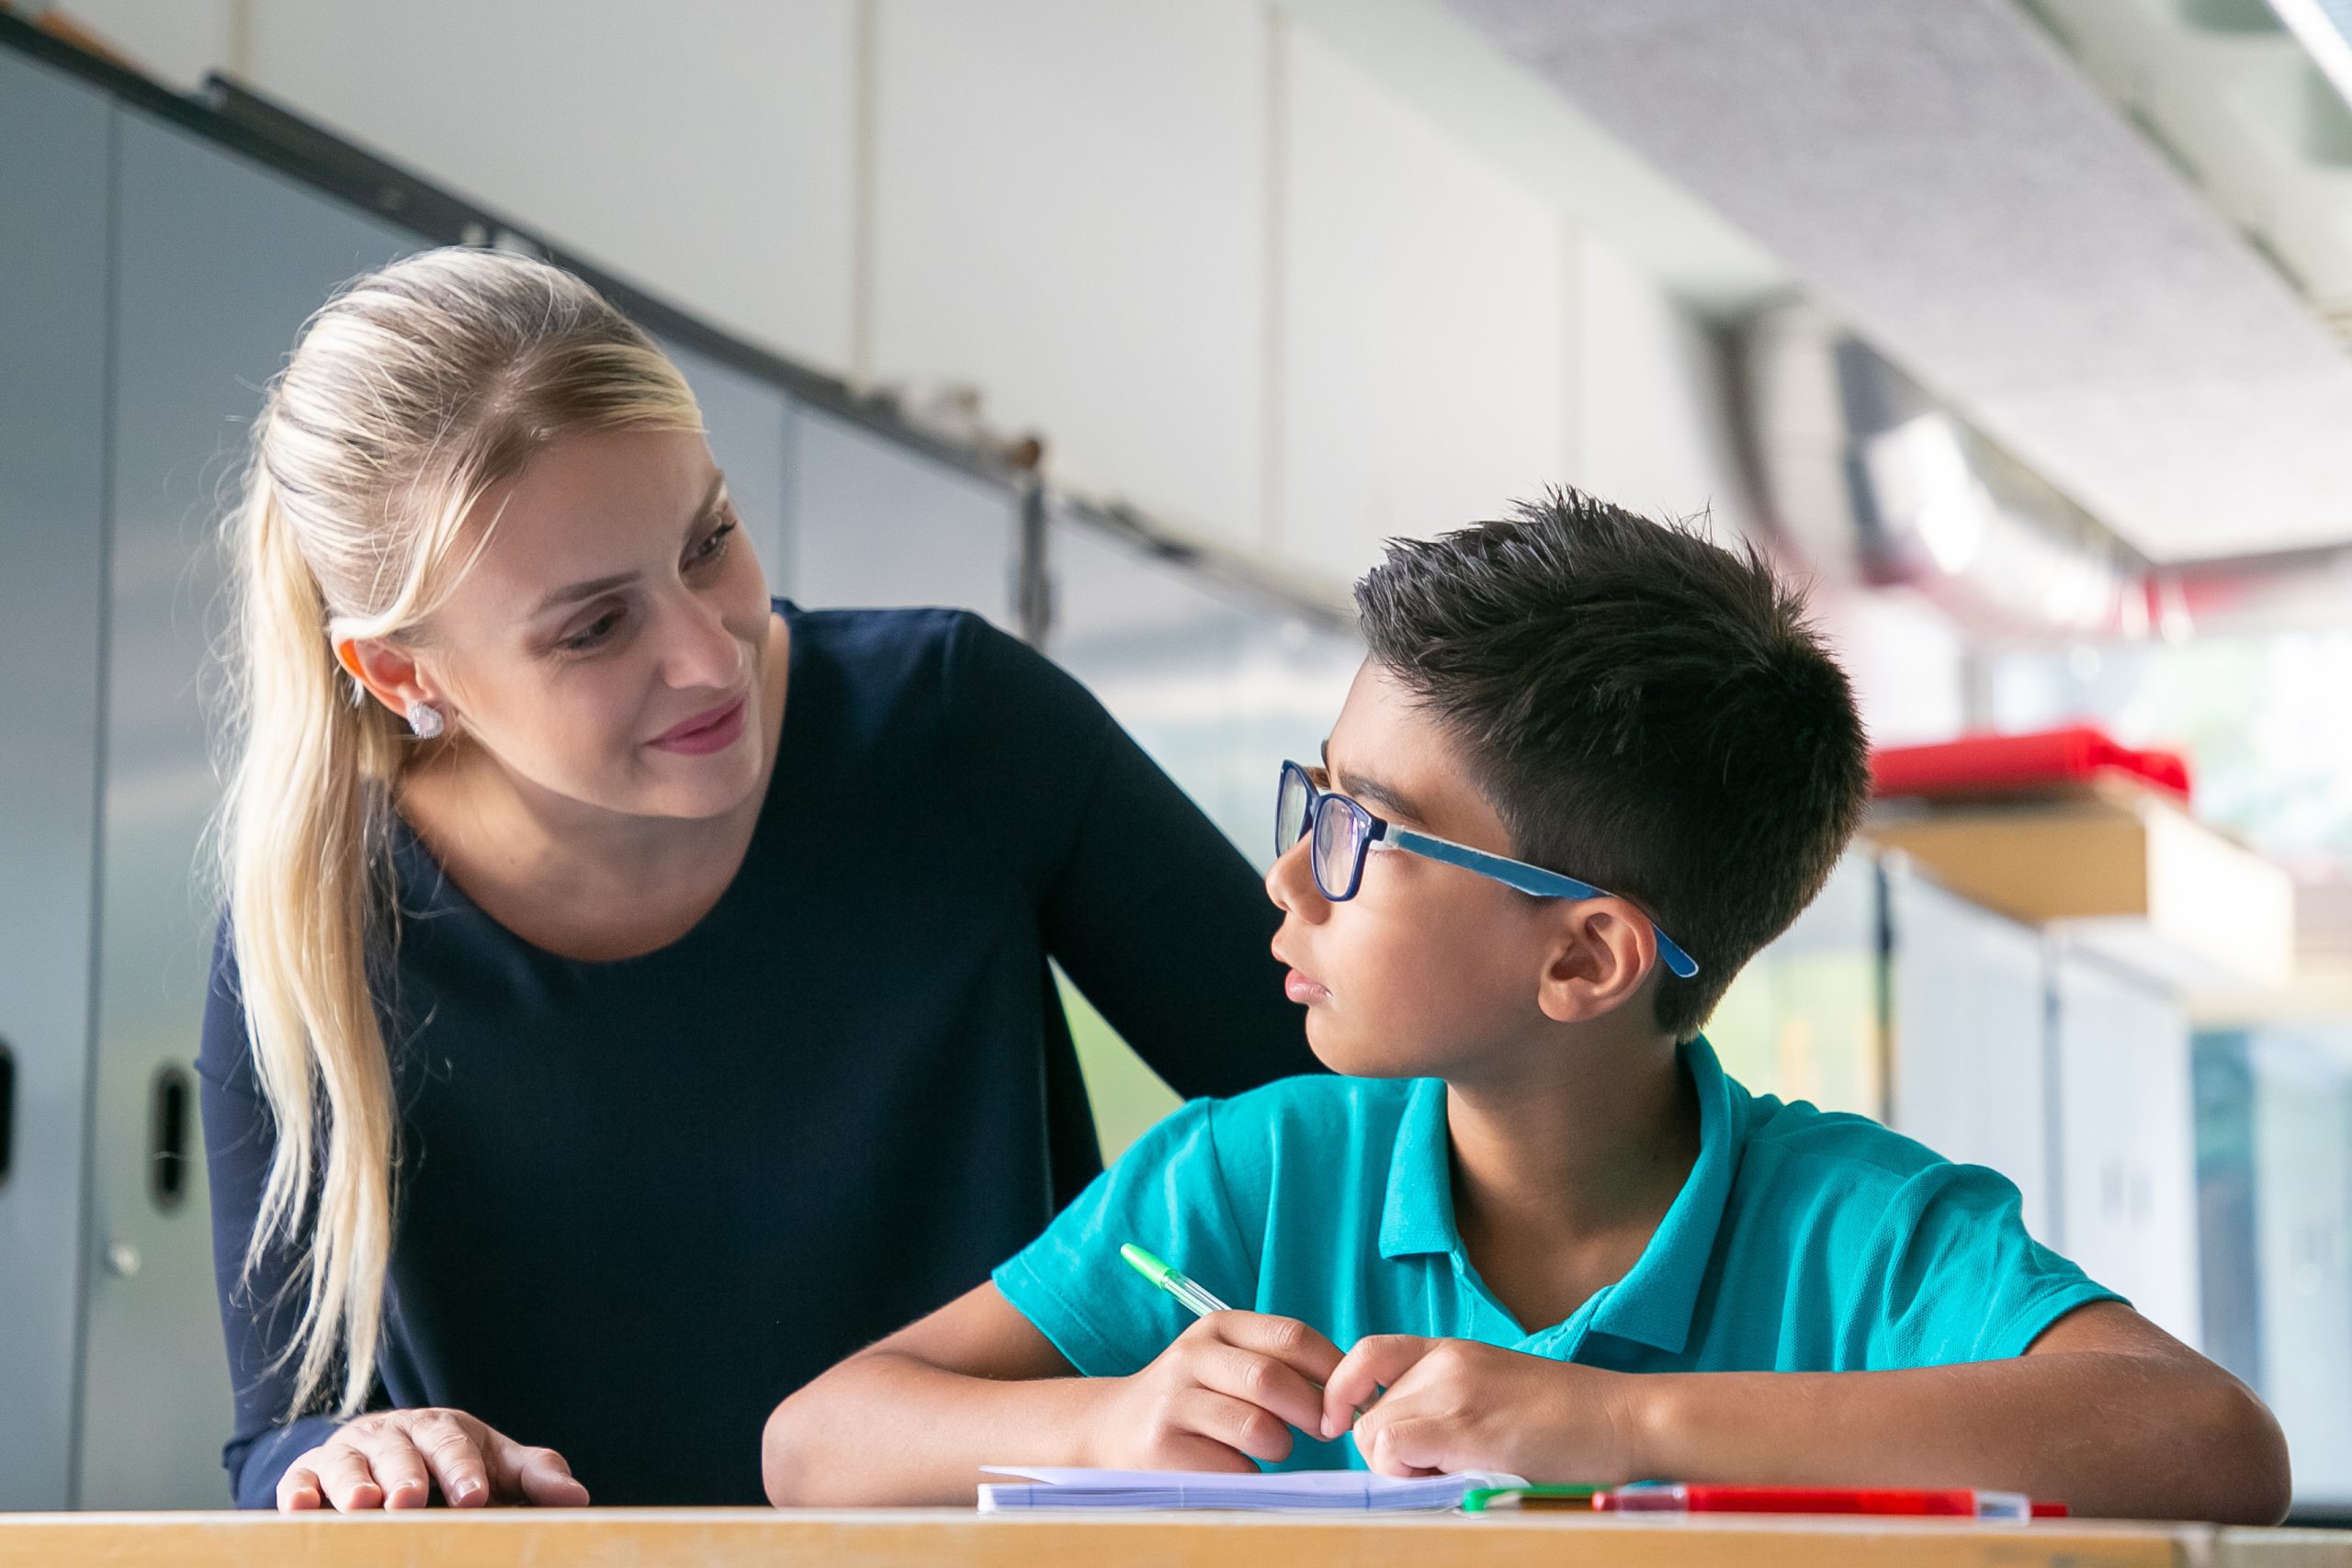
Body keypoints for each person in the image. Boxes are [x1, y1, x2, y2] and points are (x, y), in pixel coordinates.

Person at [762, 492, 2291, 1524]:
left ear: (1586, 960)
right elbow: (814, 1444)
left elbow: (2213, 1449)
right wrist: (1095, 1427)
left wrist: (1617, 1426)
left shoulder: (1862, 1238)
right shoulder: (1249, 1176)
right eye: (1315, 797)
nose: (1291, 878)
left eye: (1361, 832)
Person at [197, 246, 1317, 1510]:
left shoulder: (956, 728)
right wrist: (350, 1459)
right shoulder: (321, 915)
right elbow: (280, 1440)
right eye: (595, 627)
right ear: (407, 678)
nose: (708, 650)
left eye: (709, 539)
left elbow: (1363, 1103)